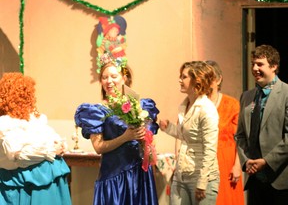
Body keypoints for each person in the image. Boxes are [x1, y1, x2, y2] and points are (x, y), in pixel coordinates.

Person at [74, 57, 160, 205]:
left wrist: (142, 140)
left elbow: (151, 149)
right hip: (114, 179)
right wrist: (125, 137)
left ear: (124, 78)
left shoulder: (140, 107)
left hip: (139, 175)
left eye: (114, 76)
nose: (109, 81)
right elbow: (98, 147)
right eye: (104, 77)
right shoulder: (97, 111)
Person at [0, 72, 71, 205]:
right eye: (28, 95)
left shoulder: (33, 119)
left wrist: (60, 144)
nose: (31, 99)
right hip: (26, 183)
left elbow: (50, 135)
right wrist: (50, 150)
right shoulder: (7, 123)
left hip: (45, 181)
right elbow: (19, 156)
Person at [159, 61, 220, 205]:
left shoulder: (207, 109)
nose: (180, 80)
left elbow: (210, 148)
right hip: (182, 175)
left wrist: (202, 182)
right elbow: (187, 136)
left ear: (196, 80)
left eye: (184, 77)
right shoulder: (185, 104)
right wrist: (168, 128)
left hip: (201, 177)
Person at [234, 44, 288, 205]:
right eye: (253, 64)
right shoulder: (247, 96)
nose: (255, 68)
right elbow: (240, 135)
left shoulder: (286, 94)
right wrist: (246, 161)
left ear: (274, 66)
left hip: (280, 180)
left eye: (260, 64)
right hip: (255, 179)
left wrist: (266, 161)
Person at [206, 60, 244, 205]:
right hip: (205, 164)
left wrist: (237, 166)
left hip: (226, 163)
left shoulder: (232, 104)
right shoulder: (198, 103)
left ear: (219, 79)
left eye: (210, 77)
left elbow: (240, 139)